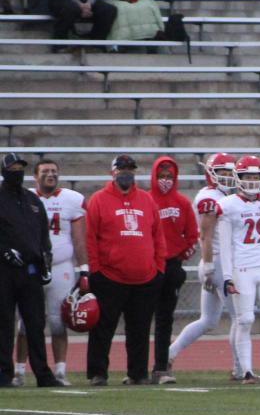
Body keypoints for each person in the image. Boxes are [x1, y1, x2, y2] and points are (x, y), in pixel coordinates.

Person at [84, 154, 165, 386]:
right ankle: (98, 373)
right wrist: (96, 270)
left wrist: (159, 268)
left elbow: (157, 236)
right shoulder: (99, 199)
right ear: (113, 172)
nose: (126, 173)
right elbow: (90, 238)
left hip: (145, 277)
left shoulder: (147, 200)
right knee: (102, 329)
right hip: (109, 276)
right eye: (122, 169)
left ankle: (138, 373)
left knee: (139, 330)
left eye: (130, 169)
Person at [166, 152, 241, 375]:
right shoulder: (211, 197)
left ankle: (169, 354)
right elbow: (205, 235)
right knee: (240, 317)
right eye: (222, 173)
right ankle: (239, 368)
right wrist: (208, 267)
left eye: (230, 173)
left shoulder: (221, 195)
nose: (227, 177)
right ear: (210, 174)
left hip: (215, 263)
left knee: (208, 320)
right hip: (217, 263)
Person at [13, 157, 85, 386]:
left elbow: (78, 238)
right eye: (45, 171)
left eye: (54, 171)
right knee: (26, 322)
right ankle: (19, 371)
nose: (50, 174)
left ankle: (61, 370)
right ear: (35, 176)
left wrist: (84, 269)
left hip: (61, 266)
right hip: (33, 266)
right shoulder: (25, 198)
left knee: (57, 321)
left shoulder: (71, 199)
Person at [217, 155, 260, 382]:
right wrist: (227, 276)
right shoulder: (228, 205)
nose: (252, 181)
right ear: (239, 178)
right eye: (248, 176)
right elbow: (225, 246)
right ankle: (246, 370)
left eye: (256, 177)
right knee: (245, 320)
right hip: (242, 268)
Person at [1, 153, 59, 388]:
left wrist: (46, 260)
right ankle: (4, 373)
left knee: (35, 323)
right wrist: (3, 251)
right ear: (4, 171)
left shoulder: (32, 201)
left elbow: (43, 235)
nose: (17, 171)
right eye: (13, 168)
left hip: (31, 271)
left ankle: (43, 374)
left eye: (20, 167)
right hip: (4, 270)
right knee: (4, 323)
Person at [149, 156, 197, 384]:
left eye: (169, 177)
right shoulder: (147, 200)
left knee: (165, 319)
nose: (165, 181)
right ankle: (135, 370)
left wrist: (181, 253)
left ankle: (161, 368)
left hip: (172, 266)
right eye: (161, 176)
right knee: (139, 319)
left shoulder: (182, 203)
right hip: (148, 266)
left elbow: (192, 235)